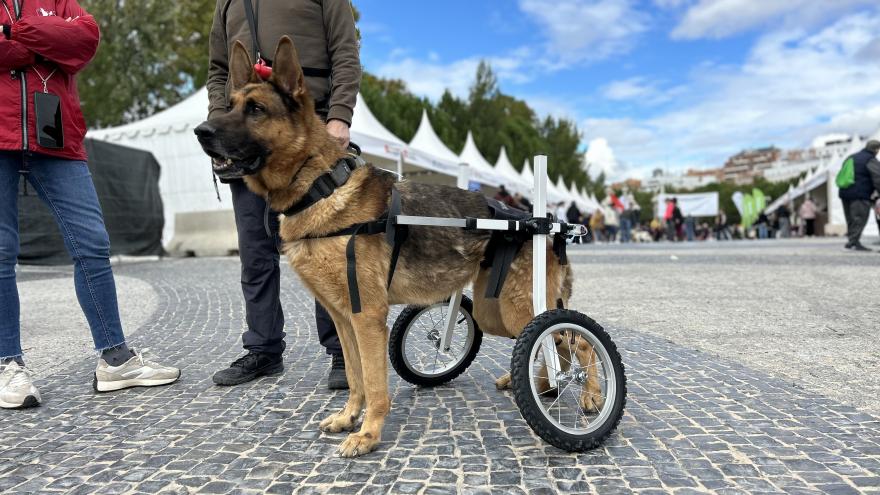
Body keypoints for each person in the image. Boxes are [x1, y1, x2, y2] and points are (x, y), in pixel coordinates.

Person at [0, 0, 179, 408]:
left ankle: (115, 358)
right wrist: (47, 43)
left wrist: (15, 34)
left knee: (92, 243)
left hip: (56, 135)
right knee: (0, 251)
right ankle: (7, 364)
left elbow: (83, 41)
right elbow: (60, 44)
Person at [206, 0, 361, 388]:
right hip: (247, 135)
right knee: (255, 252)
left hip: (310, 126)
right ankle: (263, 350)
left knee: (328, 249)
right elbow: (218, 70)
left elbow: (346, 50)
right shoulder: (228, 3)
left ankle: (342, 352)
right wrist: (219, 122)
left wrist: (339, 115)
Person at [839, 140, 880, 251]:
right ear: (876, 150)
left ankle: (852, 241)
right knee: (859, 218)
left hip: (844, 192)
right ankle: (853, 242)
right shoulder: (870, 159)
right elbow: (878, 177)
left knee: (851, 219)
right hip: (859, 194)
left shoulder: (851, 157)